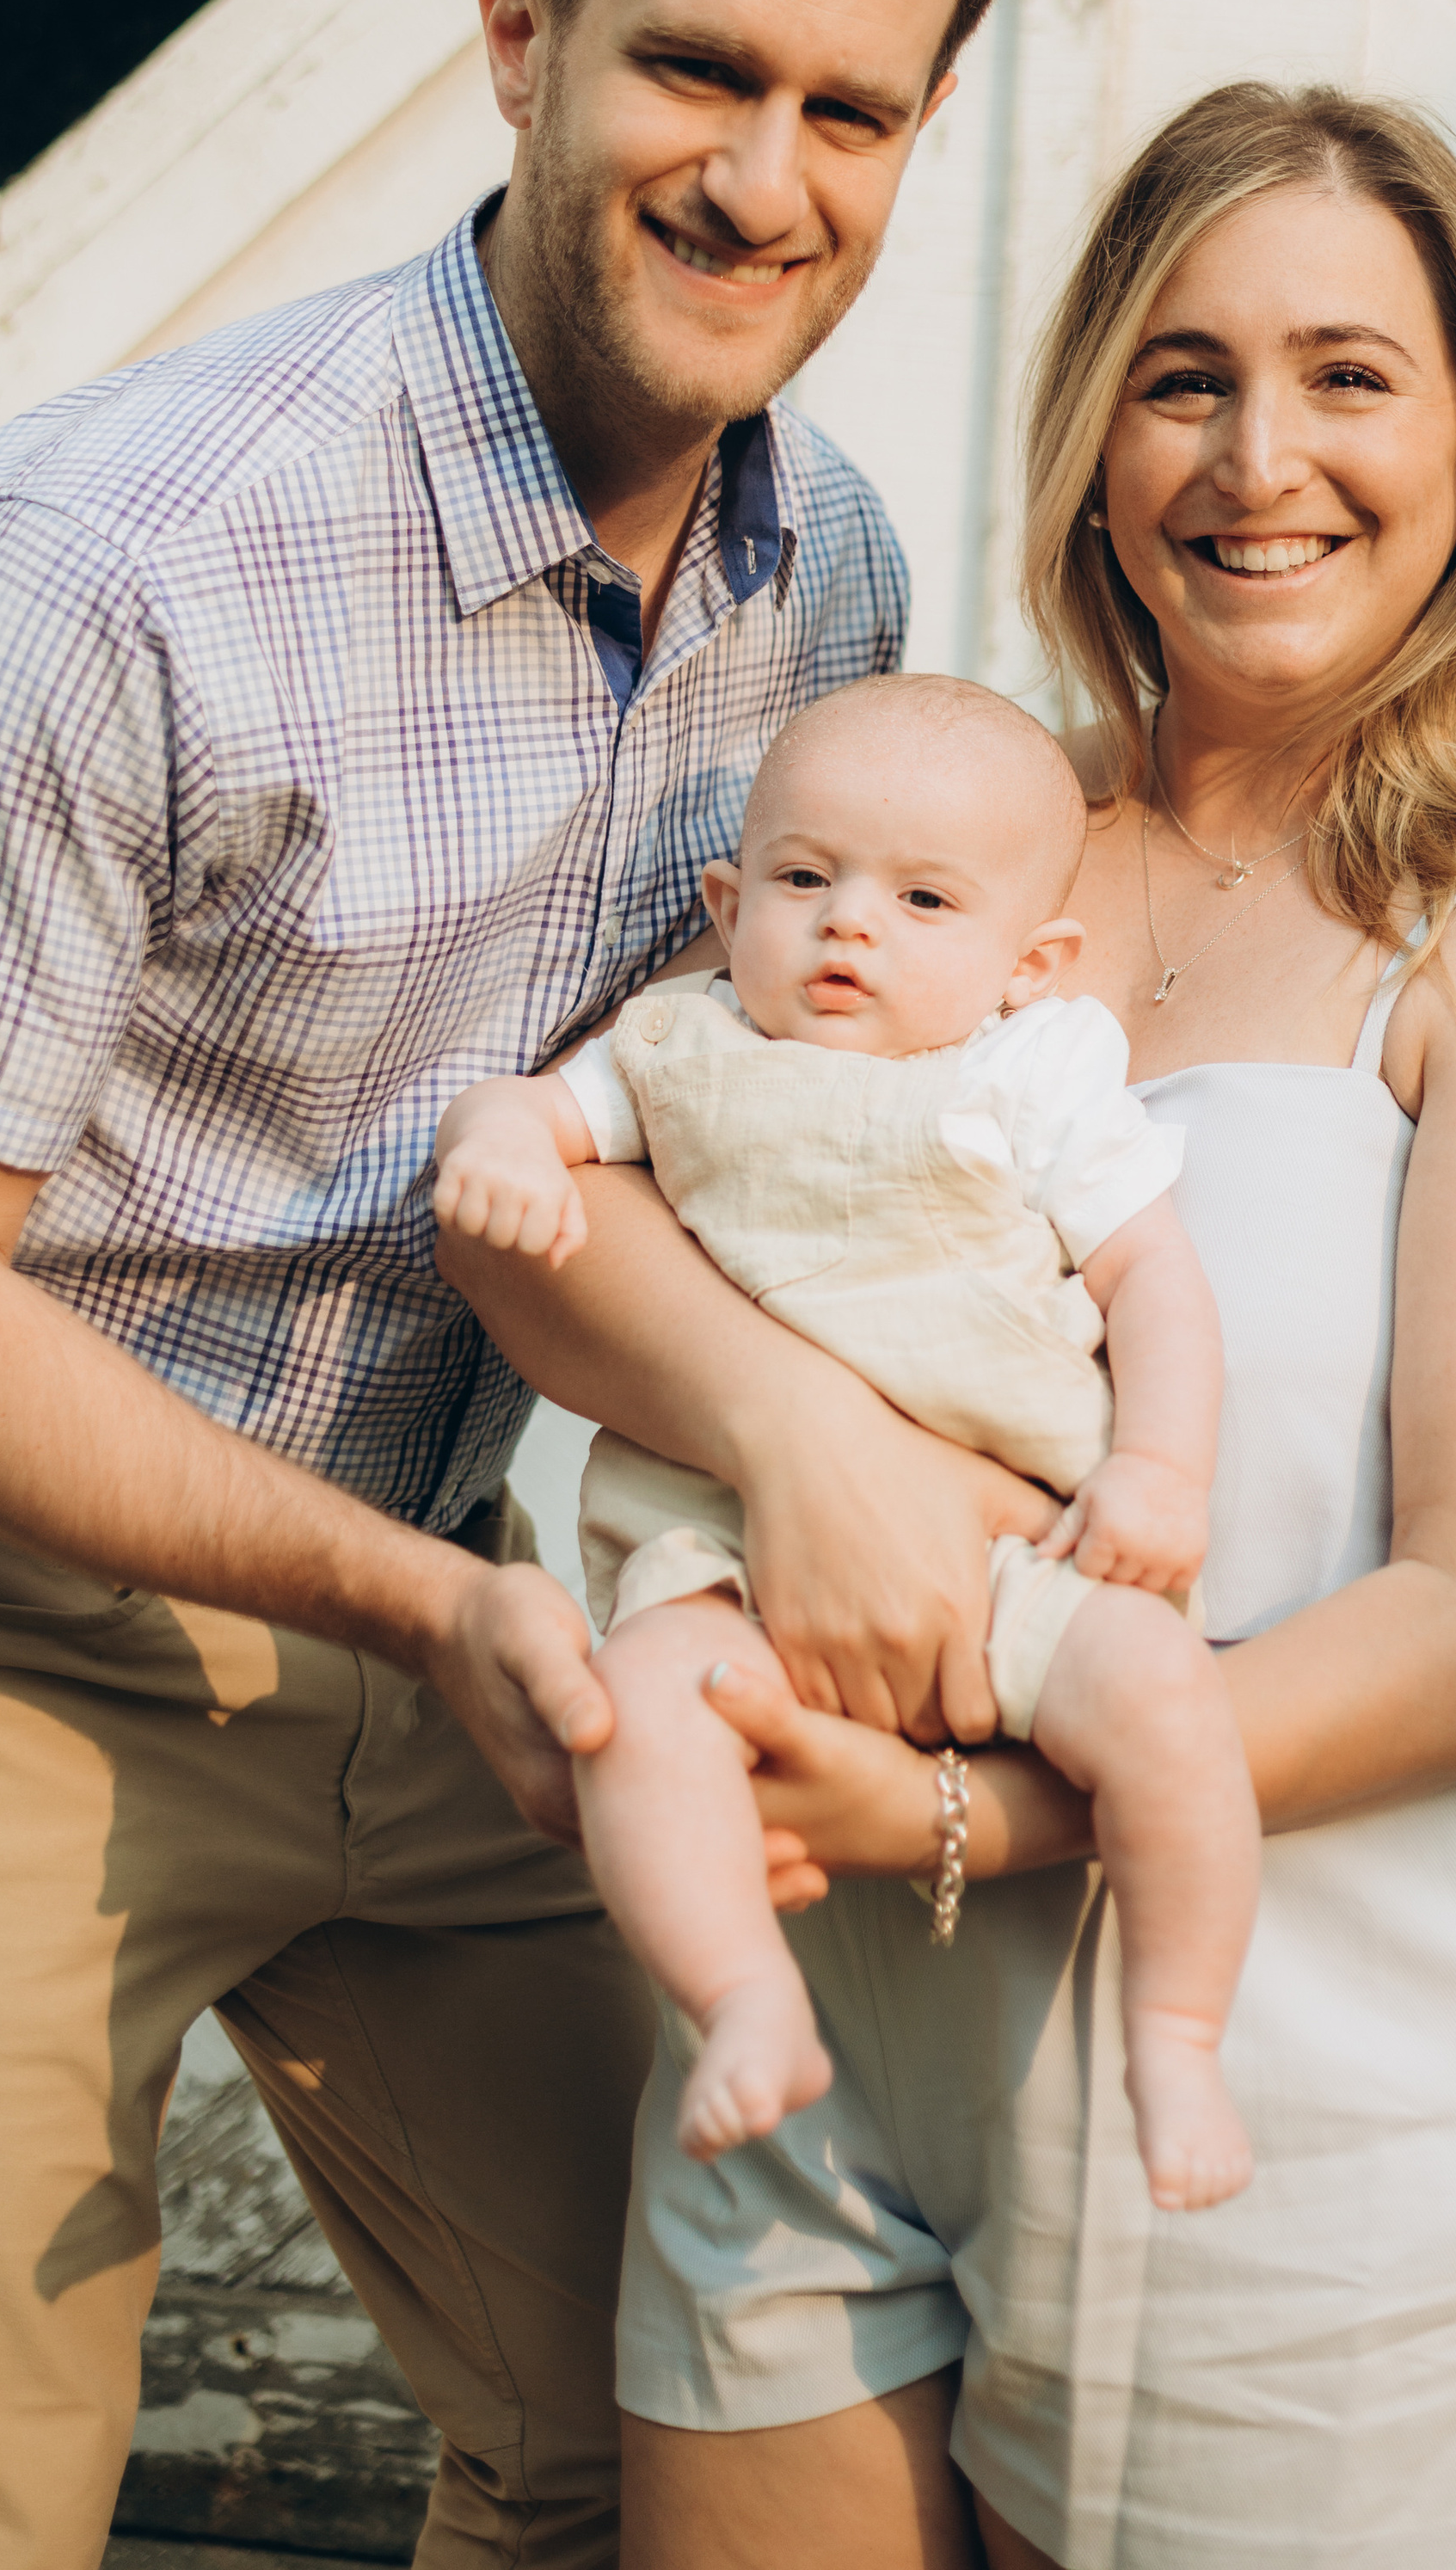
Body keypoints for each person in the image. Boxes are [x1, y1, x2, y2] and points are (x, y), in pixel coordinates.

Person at [0, 0, 1021, 2570]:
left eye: (852, 106)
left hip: (471, 1639)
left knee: (672, 2436)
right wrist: (406, 1595)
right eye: (694, 65)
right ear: (514, 30)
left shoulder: (833, 571)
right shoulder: (103, 568)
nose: (762, 175)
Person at [450, 83, 1456, 2570]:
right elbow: (578, 1199)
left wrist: (973, 1811)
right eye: (1185, 377)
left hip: (1296, 2121)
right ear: (1094, 439)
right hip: (814, 2073)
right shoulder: (954, 844)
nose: (1262, 457)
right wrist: (789, 1432)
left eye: (1352, 375)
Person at [434, 672, 1254, 2208]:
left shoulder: (1031, 1069)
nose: (848, 926)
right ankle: (743, 1997)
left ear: (1032, 965)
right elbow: (537, 1115)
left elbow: (1155, 1279)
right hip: (720, 1539)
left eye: (923, 900)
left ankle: (1179, 2031)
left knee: (1162, 1700)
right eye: (805, 881)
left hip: (1025, 1541)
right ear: (726, 900)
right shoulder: (678, 1039)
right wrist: (494, 1138)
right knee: (640, 1715)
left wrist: (1162, 1470)